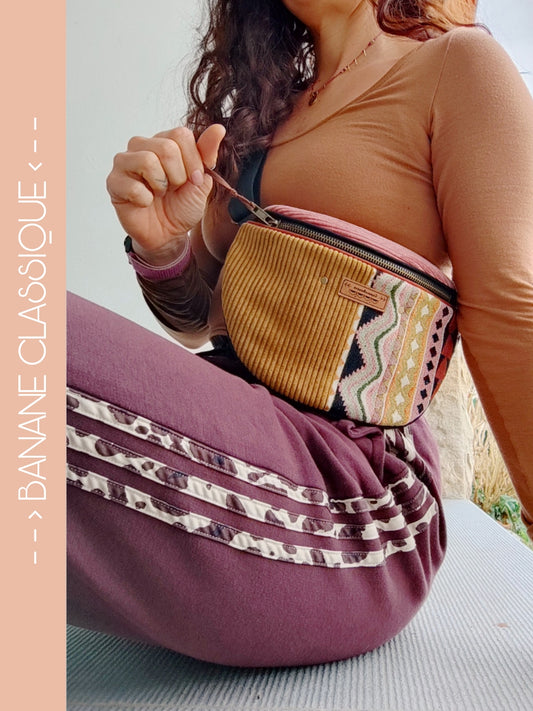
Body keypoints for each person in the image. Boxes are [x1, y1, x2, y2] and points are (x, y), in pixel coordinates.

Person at [67, 0, 533, 667]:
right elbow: (203, 322)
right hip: (239, 436)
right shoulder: (263, 115)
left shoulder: (455, 64)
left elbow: (508, 309)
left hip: (355, 490)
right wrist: (161, 243)